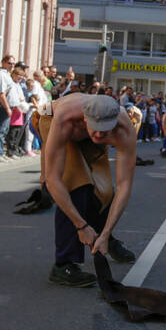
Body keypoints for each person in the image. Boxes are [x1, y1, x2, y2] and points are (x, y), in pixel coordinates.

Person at [39, 93, 139, 287]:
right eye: (97, 128)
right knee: (77, 186)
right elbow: (53, 180)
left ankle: (104, 238)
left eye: (105, 130)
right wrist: (81, 226)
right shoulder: (65, 119)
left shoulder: (124, 129)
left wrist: (107, 233)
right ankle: (63, 265)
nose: (100, 135)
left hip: (84, 131)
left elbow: (124, 185)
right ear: (85, 118)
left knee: (104, 192)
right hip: (50, 115)